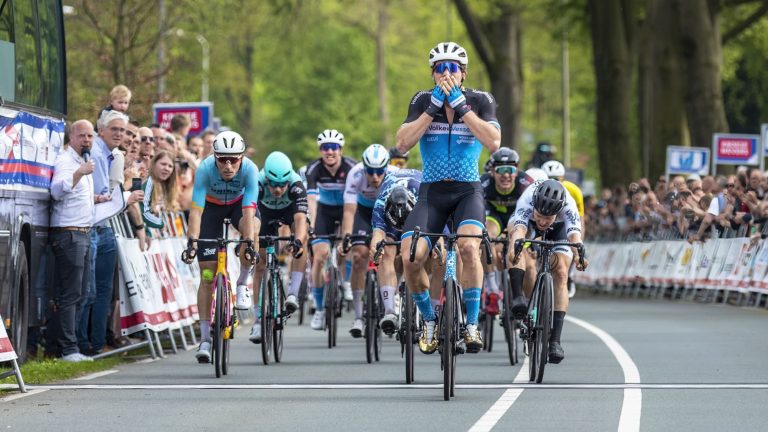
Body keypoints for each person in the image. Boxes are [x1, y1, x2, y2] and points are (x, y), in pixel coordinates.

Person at [395, 41, 501, 354]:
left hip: (468, 191)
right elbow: (402, 144)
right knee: (410, 257)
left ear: (463, 73)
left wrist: (462, 107)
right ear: (432, 73)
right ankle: (428, 319)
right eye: (440, 68)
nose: (446, 73)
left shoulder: (480, 100)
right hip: (432, 192)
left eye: (452, 68)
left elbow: (494, 142)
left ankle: (470, 324)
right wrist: (431, 110)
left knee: (469, 248)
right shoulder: (422, 99)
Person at [181, 131, 261, 363]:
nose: (228, 165)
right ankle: (205, 339)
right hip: (212, 210)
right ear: (214, 157)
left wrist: (248, 241)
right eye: (222, 159)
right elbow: (196, 211)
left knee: (252, 230)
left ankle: (244, 281)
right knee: (207, 275)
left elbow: (248, 211)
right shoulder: (204, 169)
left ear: (242, 158)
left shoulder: (250, 170)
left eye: (233, 159)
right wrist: (192, 242)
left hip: (239, 205)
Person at [506, 179, 588, 364]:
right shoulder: (528, 198)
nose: (543, 220)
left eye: (547, 217)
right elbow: (519, 229)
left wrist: (578, 256)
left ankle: (555, 341)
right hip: (528, 226)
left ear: (557, 211)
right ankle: (519, 297)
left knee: (560, 272)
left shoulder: (568, 205)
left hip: (559, 230)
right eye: (540, 215)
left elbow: (575, 237)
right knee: (515, 243)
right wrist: (515, 247)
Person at [48, 119, 97, 362]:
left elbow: (77, 198)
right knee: (70, 293)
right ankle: (67, 349)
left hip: (84, 232)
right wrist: (79, 174)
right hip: (69, 234)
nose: (87, 140)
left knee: (82, 291)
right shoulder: (66, 161)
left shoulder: (83, 162)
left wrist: (98, 198)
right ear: (72, 137)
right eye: (82, 136)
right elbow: (56, 191)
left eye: (90, 136)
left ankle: (69, 345)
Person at [248, 151, 309, 343]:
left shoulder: (296, 184)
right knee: (260, 265)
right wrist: (250, 240)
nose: (278, 189)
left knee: (303, 241)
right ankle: (258, 321)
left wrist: (297, 241)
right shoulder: (256, 182)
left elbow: (300, 221)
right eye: (274, 184)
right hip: (264, 213)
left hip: (288, 211)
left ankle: (292, 293)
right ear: (267, 179)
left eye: (282, 185)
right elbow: (249, 218)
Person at [340, 144, 396, 337]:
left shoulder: (395, 175)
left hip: (389, 213)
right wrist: (347, 235)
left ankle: (391, 306)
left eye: (380, 172)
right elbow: (349, 210)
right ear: (364, 168)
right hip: (364, 213)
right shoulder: (354, 175)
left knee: (389, 253)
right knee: (358, 257)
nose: (375, 177)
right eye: (370, 172)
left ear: (386, 168)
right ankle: (358, 316)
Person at [304, 129, 357, 330]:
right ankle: (318, 308)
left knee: (349, 244)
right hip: (324, 213)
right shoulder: (314, 169)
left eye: (333, 148)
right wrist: (313, 226)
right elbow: (311, 200)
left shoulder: (351, 167)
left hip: (346, 210)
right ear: (320, 150)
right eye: (325, 148)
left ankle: (347, 282)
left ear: (340, 150)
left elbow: (355, 200)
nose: (329, 152)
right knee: (319, 256)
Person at [481, 147, 533, 314]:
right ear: (492, 172)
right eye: (500, 170)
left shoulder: (526, 183)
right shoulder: (483, 182)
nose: (505, 175)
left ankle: (529, 304)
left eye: (510, 170)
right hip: (493, 216)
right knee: (486, 237)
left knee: (528, 261)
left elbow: (537, 213)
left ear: (516, 171)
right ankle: (493, 290)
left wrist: (534, 242)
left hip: (516, 216)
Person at [139, 150, 179, 230]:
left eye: (170, 166)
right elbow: (143, 212)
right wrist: (161, 224)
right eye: (163, 164)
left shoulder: (168, 188)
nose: (166, 168)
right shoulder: (148, 182)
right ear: (154, 164)